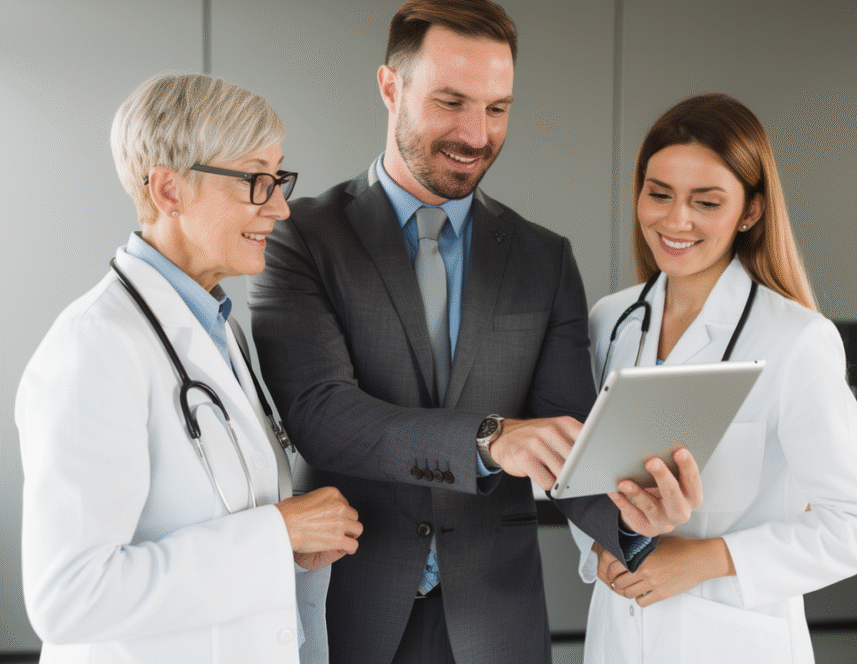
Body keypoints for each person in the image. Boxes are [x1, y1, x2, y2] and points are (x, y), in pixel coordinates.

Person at [248, 2, 701, 662]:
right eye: (452, 102)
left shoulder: (543, 257)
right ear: (390, 87)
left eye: (496, 108)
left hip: (497, 621)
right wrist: (489, 440)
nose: (476, 133)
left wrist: (632, 518)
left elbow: (565, 433)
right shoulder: (302, 240)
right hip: (353, 607)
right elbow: (322, 415)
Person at [16, 72, 363, 664]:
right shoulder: (94, 346)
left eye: (278, 178)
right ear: (169, 190)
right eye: (256, 180)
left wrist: (289, 550)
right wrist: (275, 534)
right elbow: (69, 597)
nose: (280, 206)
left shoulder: (216, 327)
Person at [573, 93, 857, 664]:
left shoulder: (797, 340)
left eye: (707, 202)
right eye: (659, 193)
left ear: (750, 212)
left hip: (732, 643)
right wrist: (600, 541)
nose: (676, 220)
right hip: (618, 637)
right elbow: (584, 478)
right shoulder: (610, 322)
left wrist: (706, 558)